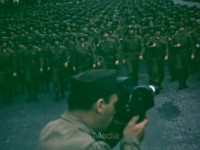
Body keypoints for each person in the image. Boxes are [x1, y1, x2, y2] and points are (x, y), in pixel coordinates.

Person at [37, 69, 148, 150]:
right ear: (100, 106)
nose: (114, 111)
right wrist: (131, 140)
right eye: (114, 104)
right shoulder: (90, 147)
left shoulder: (50, 129)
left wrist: (119, 125)